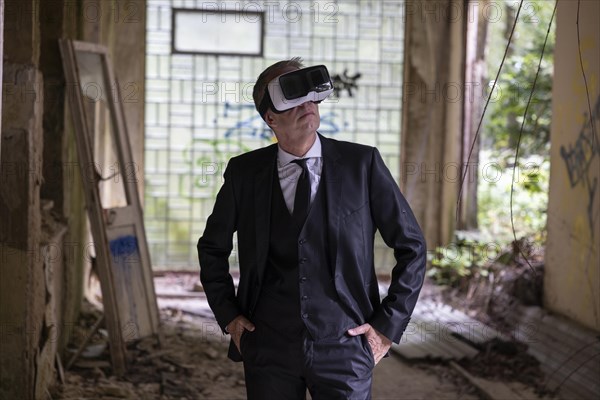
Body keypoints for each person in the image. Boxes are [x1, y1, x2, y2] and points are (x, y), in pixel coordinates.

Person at [197, 57, 426, 400]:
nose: (306, 104)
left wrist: (386, 328)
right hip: (268, 345)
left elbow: (412, 247)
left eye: (309, 95)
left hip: (346, 346)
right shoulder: (245, 173)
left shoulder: (361, 165)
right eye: (292, 97)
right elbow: (212, 249)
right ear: (270, 117)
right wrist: (229, 316)